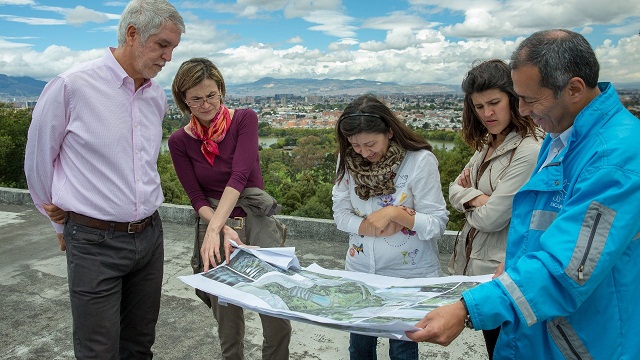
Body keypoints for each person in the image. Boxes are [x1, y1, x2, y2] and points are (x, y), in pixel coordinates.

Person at [406, 29, 640, 359]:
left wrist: (467, 309)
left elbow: (566, 271)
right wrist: (516, 260)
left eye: (530, 99)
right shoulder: (562, 137)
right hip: (545, 331)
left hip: (585, 340)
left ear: (573, 89)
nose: (523, 110)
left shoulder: (612, 159)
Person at [23, 0, 184, 358]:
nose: (168, 57)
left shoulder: (155, 96)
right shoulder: (72, 86)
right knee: (98, 350)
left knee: (140, 345)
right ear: (132, 34)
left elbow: (143, 166)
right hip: (93, 241)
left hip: (150, 236)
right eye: (162, 45)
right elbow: (37, 161)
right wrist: (60, 225)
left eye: (172, 48)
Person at [168, 57, 291, 360]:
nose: (206, 104)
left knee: (275, 311)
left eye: (211, 95)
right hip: (213, 223)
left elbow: (239, 175)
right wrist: (219, 228)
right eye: (195, 99)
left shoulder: (244, 119)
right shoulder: (179, 141)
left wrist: (213, 228)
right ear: (183, 100)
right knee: (227, 317)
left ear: (221, 90)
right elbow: (196, 197)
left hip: (254, 222)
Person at [332, 94, 449, 360]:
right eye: (355, 145)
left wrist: (398, 214)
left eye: (370, 144)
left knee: (403, 349)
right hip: (361, 270)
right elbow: (340, 213)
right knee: (359, 348)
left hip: (407, 276)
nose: (364, 152)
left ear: (389, 131)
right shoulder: (347, 161)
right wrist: (368, 226)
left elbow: (437, 223)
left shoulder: (419, 161)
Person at [447, 59, 542, 358]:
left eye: (494, 103)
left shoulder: (529, 149)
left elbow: (491, 219)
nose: (487, 113)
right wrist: (478, 197)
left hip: (504, 273)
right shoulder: (489, 142)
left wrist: (470, 198)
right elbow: (452, 190)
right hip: (477, 268)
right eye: (478, 106)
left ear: (513, 99)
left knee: (508, 348)